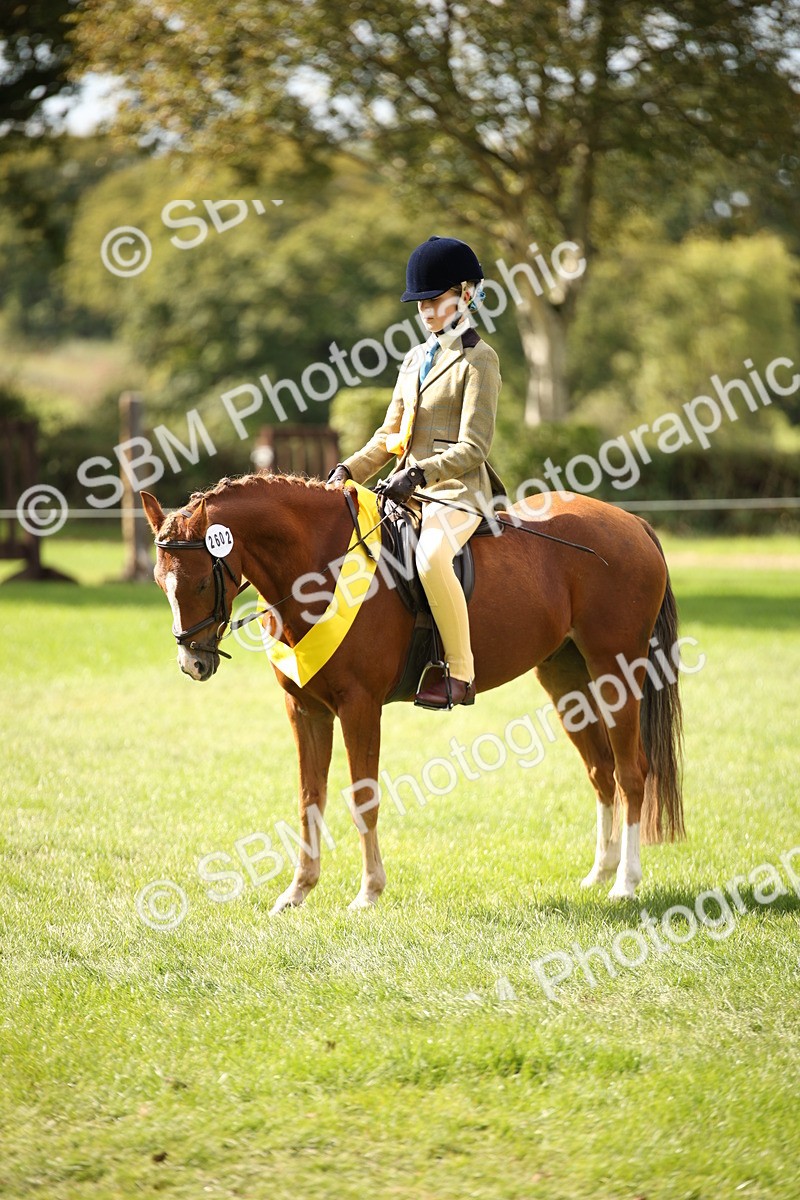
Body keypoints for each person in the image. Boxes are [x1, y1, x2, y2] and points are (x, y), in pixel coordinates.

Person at [328, 234, 504, 709]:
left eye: (435, 301)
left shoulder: (479, 360)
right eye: (420, 304)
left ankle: (461, 673)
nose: (426, 313)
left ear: (465, 294)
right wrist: (349, 468)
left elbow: (474, 446)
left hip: (455, 493)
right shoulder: (413, 360)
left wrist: (420, 473)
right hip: (403, 492)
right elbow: (389, 436)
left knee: (429, 560)